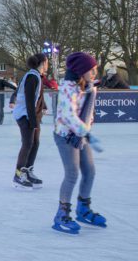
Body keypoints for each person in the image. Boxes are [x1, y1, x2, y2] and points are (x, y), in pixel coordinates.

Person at [52, 52, 106, 234]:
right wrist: (87, 134)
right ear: (81, 71)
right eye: (92, 70)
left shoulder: (90, 88)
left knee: (90, 171)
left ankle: (83, 208)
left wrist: (86, 132)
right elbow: (68, 116)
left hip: (81, 134)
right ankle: (62, 214)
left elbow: (88, 113)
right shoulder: (68, 87)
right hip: (65, 135)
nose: (94, 73)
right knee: (72, 173)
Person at [11, 53, 48, 190]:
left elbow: (37, 96)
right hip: (25, 115)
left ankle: (28, 171)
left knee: (35, 143)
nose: (48, 64)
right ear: (43, 62)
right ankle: (18, 174)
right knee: (27, 144)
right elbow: (28, 99)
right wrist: (32, 120)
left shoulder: (36, 76)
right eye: (47, 62)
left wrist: (43, 106)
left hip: (32, 115)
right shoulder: (32, 76)